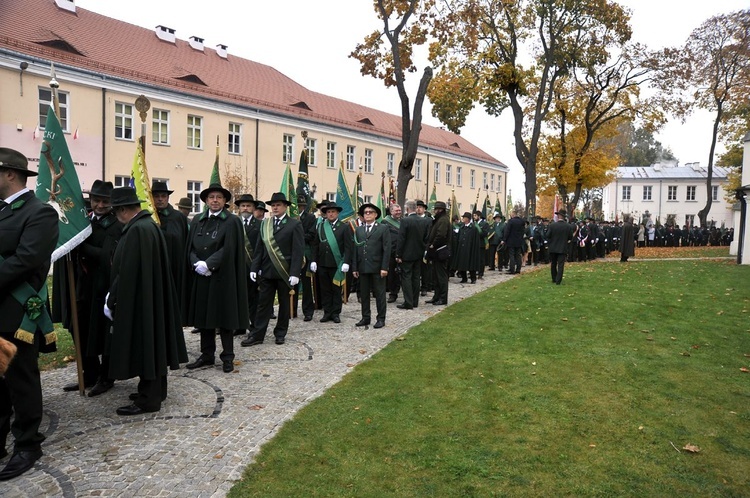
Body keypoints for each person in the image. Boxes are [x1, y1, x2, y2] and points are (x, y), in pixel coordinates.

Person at [0, 147, 59, 480]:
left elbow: (25, 261)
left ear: (10, 174)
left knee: (20, 380)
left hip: (18, 311)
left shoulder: (40, 213)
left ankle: (27, 443)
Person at [104, 187, 187, 415]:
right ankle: (156, 390)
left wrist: (113, 297)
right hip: (150, 296)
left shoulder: (138, 230)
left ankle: (148, 399)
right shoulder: (147, 225)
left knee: (146, 345)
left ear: (122, 210)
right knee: (154, 343)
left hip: (141, 299)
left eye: (115, 212)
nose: (115, 217)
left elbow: (128, 270)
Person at [183, 183, 248, 373]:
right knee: (204, 318)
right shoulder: (197, 220)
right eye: (211, 197)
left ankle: (227, 356)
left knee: (224, 317)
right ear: (205, 200)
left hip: (223, 277)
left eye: (219, 197)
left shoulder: (232, 221)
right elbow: (190, 247)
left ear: (225, 201)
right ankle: (207, 355)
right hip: (202, 276)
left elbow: (230, 248)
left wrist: (209, 264)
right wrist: (197, 263)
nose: (215, 200)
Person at [71, 180, 122, 397]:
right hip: (85, 285)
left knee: (105, 332)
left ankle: (106, 376)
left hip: (105, 285)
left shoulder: (116, 225)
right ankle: (89, 373)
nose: (100, 205)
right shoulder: (83, 220)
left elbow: (106, 256)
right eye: (96, 200)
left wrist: (81, 244)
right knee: (81, 329)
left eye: (104, 201)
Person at [243, 192, 304, 346]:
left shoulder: (294, 224)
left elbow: (298, 250)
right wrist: (254, 268)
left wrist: (295, 273)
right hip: (267, 271)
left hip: (285, 272)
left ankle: (280, 333)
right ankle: (257, 335)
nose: (275, 208)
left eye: (278, 205)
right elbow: (259, 249)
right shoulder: (266, 224)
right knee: (263, 304)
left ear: (285, 207)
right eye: (273, 205)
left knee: (284, 305)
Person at [310, 201, 352, 323]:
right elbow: (315, 245)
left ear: (337, 213)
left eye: (333, 212)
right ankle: (327, 312)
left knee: (336, 290)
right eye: (328, 212)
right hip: (323, 263)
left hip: (336, 264)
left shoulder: (344, 227)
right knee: (325, 289)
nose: (331, 214)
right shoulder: (321, 226)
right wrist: (313, 260)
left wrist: (346, 262)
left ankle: (336, 313)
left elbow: (348, 247)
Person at [352, 203, 390, 328]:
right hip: (363, 267)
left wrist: (384, 267)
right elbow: (356, 249)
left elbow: (387, 249)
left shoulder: (383, 228)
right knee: (364, 294)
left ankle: (381, 318)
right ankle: (365, 317)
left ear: (375, 214)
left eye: (370, 212)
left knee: (379, 294)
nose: (367, 214)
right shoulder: (359, 230)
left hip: (377, 267)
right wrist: (355, 267)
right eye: (365, 212)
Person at [152, 180, 189, 303]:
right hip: (154, 268)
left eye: (163, 196)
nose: (160, 199)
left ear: (168, 198)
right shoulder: (148, 218)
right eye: (156, 196)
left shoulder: (178, 217)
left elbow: (186, 242)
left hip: (176, 269)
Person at [396, 200, 430, 309]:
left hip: (407, 254)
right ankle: (415, 301)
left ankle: (408, 302)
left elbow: (401, 239)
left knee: (406, 278)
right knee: (416, 278)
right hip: (418, 253)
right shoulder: (424, 221)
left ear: (407, 208)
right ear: (415, 208)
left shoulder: (405, 221)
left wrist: (398, 254)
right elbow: (426, 238)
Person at [235, 193, 260, 333]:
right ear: (239, 208)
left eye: (248, 206)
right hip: (237, 267)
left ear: (253, 208)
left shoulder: (260, 225)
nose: (245, 208)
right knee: (239, 298)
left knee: (253, 299)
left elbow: (260, 248)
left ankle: (254, 326)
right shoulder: (233, 223)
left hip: (252, 267)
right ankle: (239, 326)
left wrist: (257, 267)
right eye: (243, 206)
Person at [425, 201, 451, 305]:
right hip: (436, 252)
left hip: (440, 251)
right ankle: (436, 296)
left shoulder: (443, 220)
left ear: (440, 210)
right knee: (436, 276)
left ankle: (443, 298)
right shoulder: (439, 219)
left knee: (441, 277)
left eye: (436, 209)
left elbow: (441, 235)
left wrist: (433, 245)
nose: (434, 211)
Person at [546, 209, 575, 285]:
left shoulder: (552, 225)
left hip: (553, 247)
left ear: (558, 216)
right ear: (564, 217)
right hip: (562, 248)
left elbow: (547, 235)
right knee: (561, 265)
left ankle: (554, 278)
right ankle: (558, 280)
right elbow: (570, 237)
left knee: (553, 264)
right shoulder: (568, 226)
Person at [382, 203, 402, 303]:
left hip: (401, 251)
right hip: (390, 251)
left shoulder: (403, 221)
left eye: (399, 210)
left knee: (400, 273)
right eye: (396, 211)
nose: (398, 212)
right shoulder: (385, 222)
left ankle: (399, 290)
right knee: (391, 274)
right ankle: (392, 293)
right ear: (391, 212)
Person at [455, 212, 483, 284]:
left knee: (471, 264)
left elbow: (475, 240)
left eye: (464, 218)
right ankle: (464, 278)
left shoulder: (473, 228)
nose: (463, 219)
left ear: (467, 219)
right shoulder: (462, 228)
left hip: (470, 248)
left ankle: (473, 278)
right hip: (462, 248)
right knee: (462, 264)